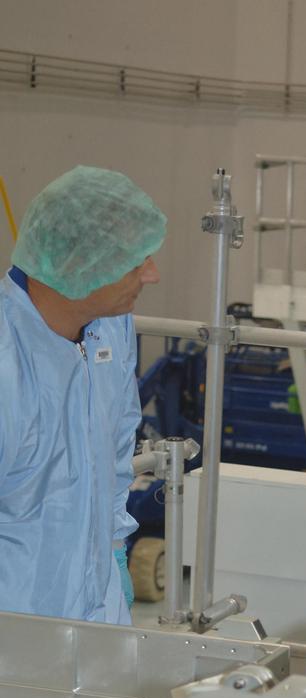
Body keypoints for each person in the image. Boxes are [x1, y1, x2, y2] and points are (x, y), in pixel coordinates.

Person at [0, 165, 166, 624]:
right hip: (15, 623)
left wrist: (115, 552)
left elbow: (114, 454)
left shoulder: (111, 327)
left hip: (95, 611)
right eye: (137, 261)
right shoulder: (7, 362)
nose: (152, 274)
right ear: (82, 265)